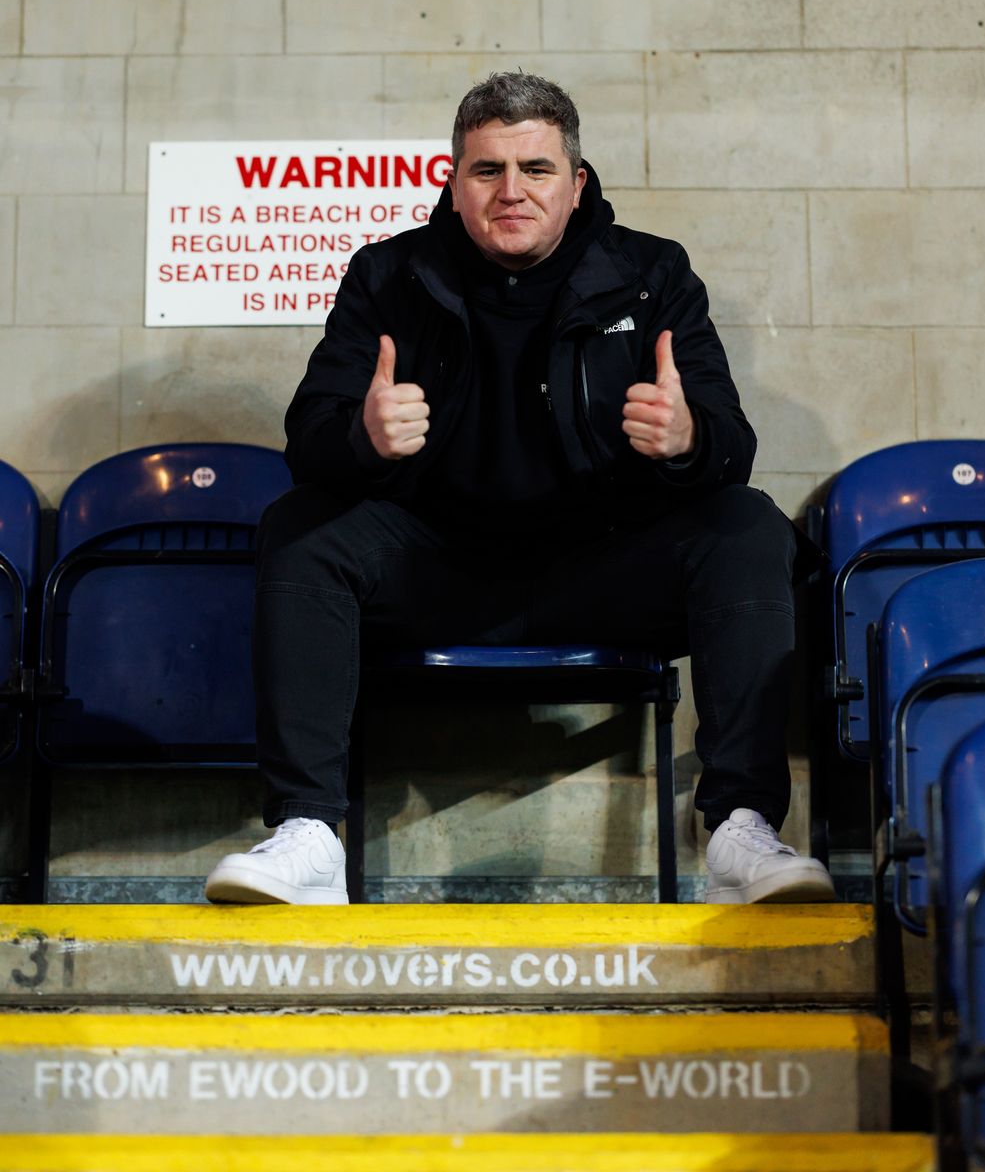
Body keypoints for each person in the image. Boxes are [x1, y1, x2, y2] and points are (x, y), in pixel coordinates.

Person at [205, 72, 835, 907]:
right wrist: (364, 438)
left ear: (576, 183)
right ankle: (309, 834)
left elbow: (732, 446)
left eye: (536, 168)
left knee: (748, 526)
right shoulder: (388, 275)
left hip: (603, 572)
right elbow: (309, 442)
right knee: (300, 527)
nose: (511, 191)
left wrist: (688, 439)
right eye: (487, 170)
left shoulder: (652, 274)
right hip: (434, 572)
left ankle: (738, 829)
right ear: (453, 182)